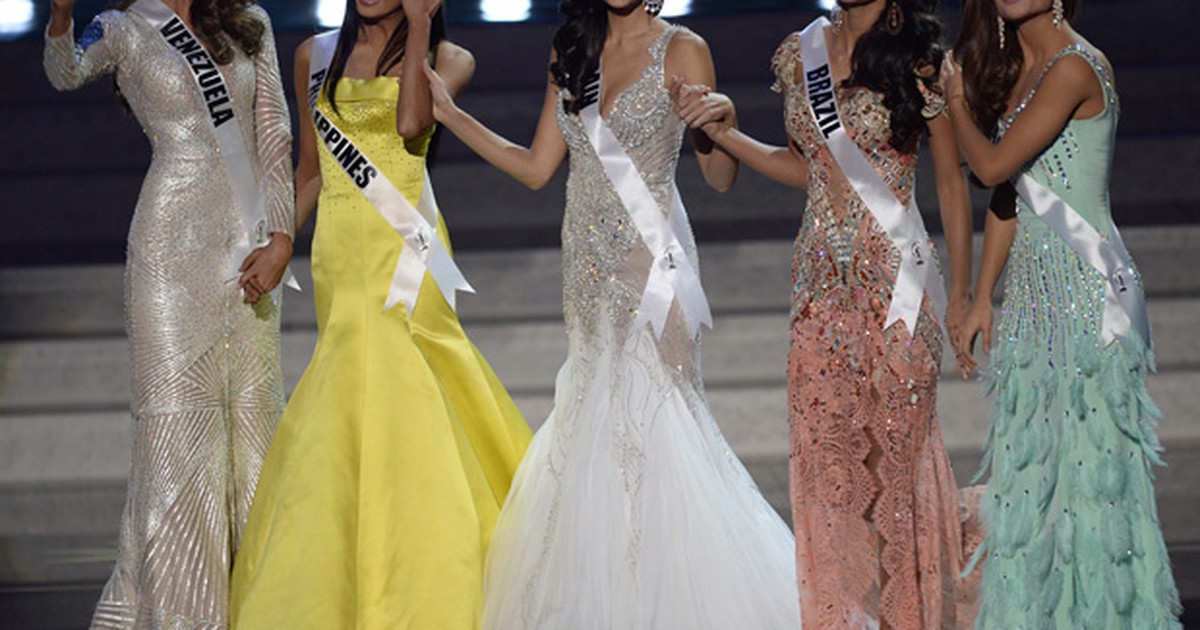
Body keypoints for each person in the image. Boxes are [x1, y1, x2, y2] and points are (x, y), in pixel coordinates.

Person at [424, 0, 801, 627]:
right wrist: (452, 116)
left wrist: (723, 123)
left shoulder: (684, 48)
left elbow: (720, 179)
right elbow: (538, 167)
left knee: (659, 426)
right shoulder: (571, 48)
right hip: (586, 271)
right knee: (595, 422)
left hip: (654, 268)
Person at [671, 0, 977, 626]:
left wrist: (967, 297)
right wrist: (726, 135)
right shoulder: (798, 52)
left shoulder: (920, 60)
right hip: (818, 291)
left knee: (896, 464)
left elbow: (950, 182)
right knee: (830, 469)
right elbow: (805, 167)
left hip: (898, 289)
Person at [227, 0, 532, 627]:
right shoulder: (313, 55)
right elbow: (309, 171)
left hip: (406, 251)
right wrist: (282, 239)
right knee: (345, 393)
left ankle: (423, 579)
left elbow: (411, 127)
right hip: (340, 252)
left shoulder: (450, 57)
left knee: (411, 385)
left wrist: (420, 26)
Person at [43, 0, 293, 625]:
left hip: (246, 247)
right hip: (168, 252)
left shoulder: (249, 21)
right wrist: (58, 19)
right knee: (176, 432)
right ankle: (185, 614)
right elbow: (65, 71)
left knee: (254, 427)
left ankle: (263, 605)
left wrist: (283, 237)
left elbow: (273, 135)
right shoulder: (125, 28)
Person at [942, 0, 1182, 625]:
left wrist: (957, 98)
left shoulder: (1077, 66)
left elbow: (990, 164)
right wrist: (981, 297)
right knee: (1030, 487)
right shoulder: (1018, 72)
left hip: (1090, 301)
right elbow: (1011, 194)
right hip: (1031, 301)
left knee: (1094, 491)